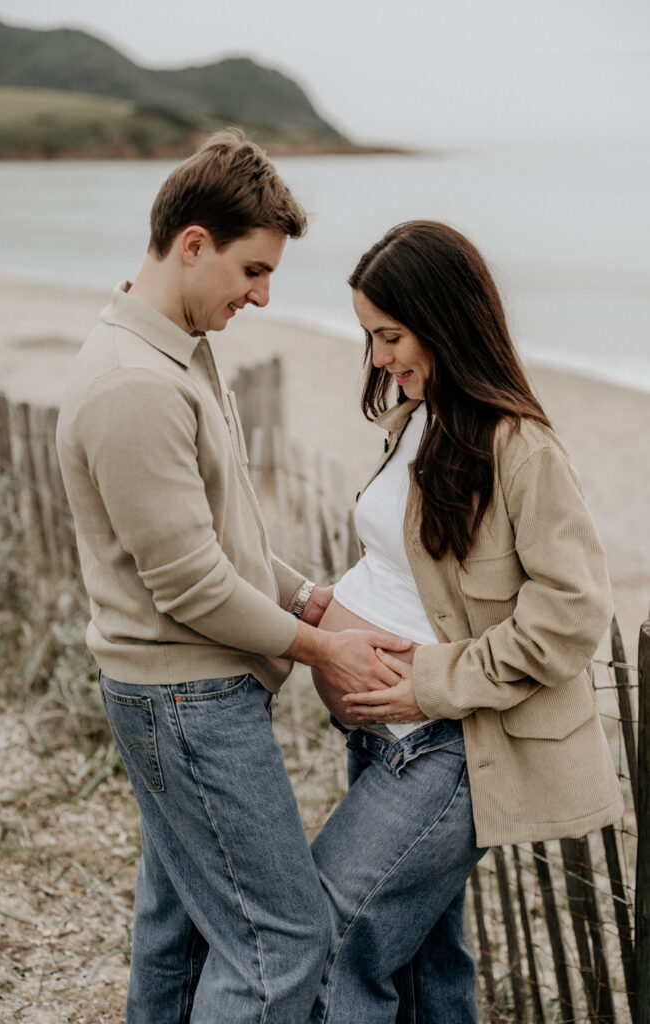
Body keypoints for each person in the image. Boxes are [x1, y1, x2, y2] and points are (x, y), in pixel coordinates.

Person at [55, 131, 410, 1024]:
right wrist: (324, 646)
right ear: (192, 244)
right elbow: (189, 586)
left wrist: (302, 595)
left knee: (177, 930)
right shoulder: (135, 384)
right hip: (186, 702)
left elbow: (216, 535)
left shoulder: (175, 348)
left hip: (180, 697)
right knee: (280, 941)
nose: (261, 295)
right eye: (252, 270)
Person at [309, 221, 624, 1024]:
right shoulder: (414, 421)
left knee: (331, 934)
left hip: (448, 743)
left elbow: (569, 615)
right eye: (369, 338)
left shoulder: (520, 449)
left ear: (443, 318)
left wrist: (425, 684)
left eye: (389, 335)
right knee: (420, 958)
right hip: (378, 734)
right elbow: (399, 569)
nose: (378, 358)